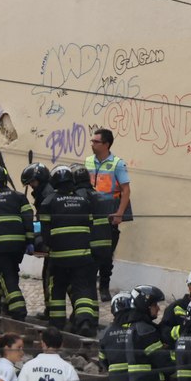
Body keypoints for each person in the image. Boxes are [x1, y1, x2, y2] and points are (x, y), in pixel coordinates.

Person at [40, 165, 101, 337]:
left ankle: (57, 325)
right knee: (82, 289)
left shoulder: (48, 202)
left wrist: (49, 246)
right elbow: (91, 226)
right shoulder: (84, 201)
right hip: (82, 257)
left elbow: (45, 233)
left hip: (59, 258)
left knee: (58, 289)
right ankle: (85, 322)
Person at [0, 165, 34, 319]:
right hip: (18, 244)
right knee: (6, 270)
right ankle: (1, 304)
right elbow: (28, 217)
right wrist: (30, 241)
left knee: (6, 274)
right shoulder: (18, 196)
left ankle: (18, 309)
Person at [86, 129, 132, 302]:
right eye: (92, 141)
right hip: (92, 212)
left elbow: (126, 191)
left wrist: (119, 213)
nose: (92, 144)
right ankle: (88, 285)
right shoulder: (88, 161)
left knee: (106, 253)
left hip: (109, 213)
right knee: (90, 251)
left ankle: (104, 287)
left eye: (96, 142)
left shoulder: (117, 164)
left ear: (106, 144)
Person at [71, 163, 117, 302]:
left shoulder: (78, 196)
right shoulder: (99, 195)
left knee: (86, 278)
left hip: (90, 242)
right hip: (106, 241)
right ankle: (104, 290)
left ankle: (87, 302)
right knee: (105, 267)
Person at [21, 163, 53, 319]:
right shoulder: (46, 193)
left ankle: (52, 313)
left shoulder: (47, 196)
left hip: (54, 246)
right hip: (58, 244)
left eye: (32, 183)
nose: (31, 187)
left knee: (50, 277)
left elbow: (45, 223)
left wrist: (39, 242)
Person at [162, 265, 191, 344]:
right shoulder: (176, 307)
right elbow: (164, 334)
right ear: (190, 287)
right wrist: (184, 328)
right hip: (180, 354)